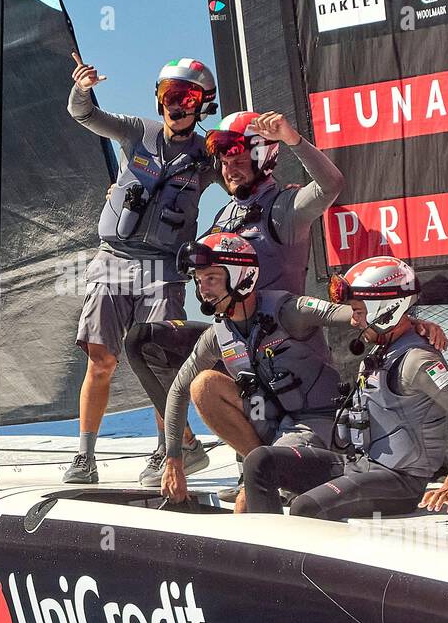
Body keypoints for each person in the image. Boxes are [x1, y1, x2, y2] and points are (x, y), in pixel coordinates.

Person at [126, 110, 345, 485]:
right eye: (225, 162)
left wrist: (294, 140)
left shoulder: (286, 208)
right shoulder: (225, 214)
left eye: (240, 160)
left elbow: (330, 185)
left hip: (282, 343)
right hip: (236, 342)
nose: (230, 169)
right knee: (143, 341)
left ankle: (262, 473)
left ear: (264, 157)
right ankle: (188, 449)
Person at [158, 236, 448, 506]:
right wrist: (174, 458)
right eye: (198, 280)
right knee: (203, 385)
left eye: (211, 278)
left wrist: (409, 322)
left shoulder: (289, 310)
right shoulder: (217, 334)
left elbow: (353, 314)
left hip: (317, 424)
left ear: (241, 277)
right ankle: (261, 468)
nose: (202, 288)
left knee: (246, 502)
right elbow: (178, 390)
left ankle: (265, 474)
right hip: (271, 423)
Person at [63, 55, 220, 484]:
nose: (178, 104)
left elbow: (242, 180)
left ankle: (169, 452)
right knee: (101, 360)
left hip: (164, 270)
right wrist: (83, 86)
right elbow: (84, 114)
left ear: (203, 103)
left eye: (188, 97)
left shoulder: (207, 156)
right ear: (158, 98)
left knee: (159, 363)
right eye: (171, 95)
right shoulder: (137, 132)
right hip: (113, 262)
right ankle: (84, 457)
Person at [239, 256, 448, 520]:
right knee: (260, 462)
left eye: (359, 311)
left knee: (306, 507)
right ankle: (268, 550)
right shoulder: (385, 348)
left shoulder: (419, 360)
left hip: (399, 481)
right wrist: (416, 323)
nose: (354, 320)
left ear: (385, 309)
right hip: (358, 465)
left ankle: (289, 558)